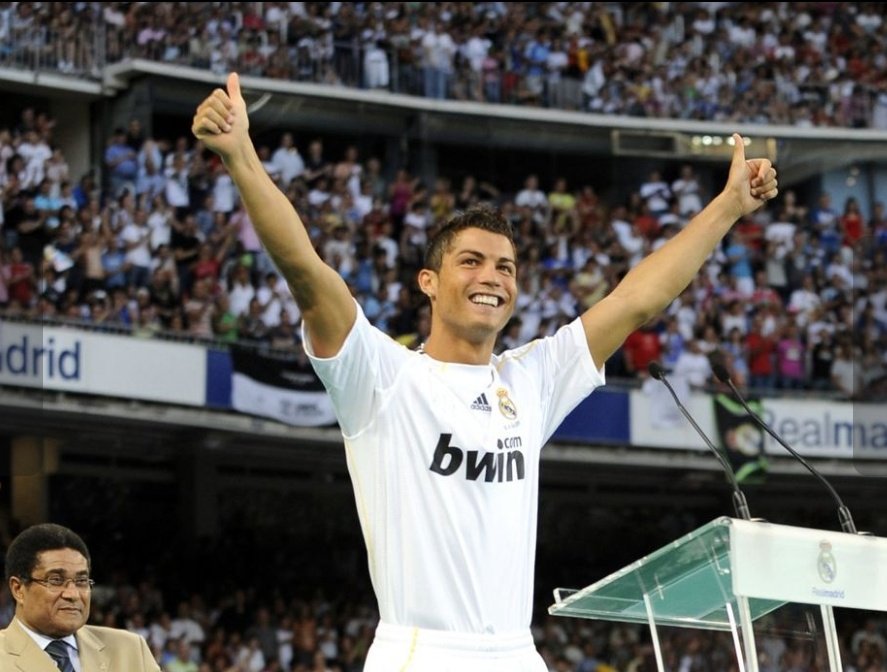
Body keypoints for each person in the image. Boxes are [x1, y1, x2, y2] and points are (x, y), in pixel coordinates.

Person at [192, 72, 778, 672]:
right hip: (420, 653)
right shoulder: (382, 376)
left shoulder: (531, 380)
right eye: (471, 262)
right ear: (428, 281)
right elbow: (305, 269)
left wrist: (729, 206)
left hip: (517, 652)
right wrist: (241, 157)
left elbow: (636, 300)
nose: (492, 278)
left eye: (505, 267)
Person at [0, 522, 161, 672]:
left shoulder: (130, 649)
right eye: (56, 580)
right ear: (18, 589)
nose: (73, 594)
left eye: (81, 581)